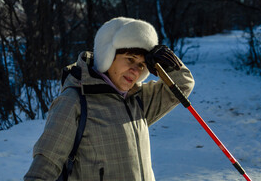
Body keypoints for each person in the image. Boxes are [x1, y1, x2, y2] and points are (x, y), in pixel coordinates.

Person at [24, 17, 195, 181]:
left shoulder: (137, 100)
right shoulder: (74, 101)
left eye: (141, 65)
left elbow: (183, 84)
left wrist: (167, 63)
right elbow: (44, 168)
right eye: (130, 59)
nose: (135, 71)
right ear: (107, 56)